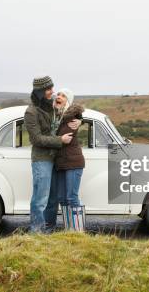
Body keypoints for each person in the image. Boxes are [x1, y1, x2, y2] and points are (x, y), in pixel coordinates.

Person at [24, 76, 80, 233]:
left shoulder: (50, 106)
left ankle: (48, 228)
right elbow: (36, 139)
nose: (53, 92)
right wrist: (59, 140)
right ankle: (36, 231)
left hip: (54, 159)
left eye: (52, 88)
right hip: (41, 158)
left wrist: (80, 119)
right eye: (49, 89)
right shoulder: (31, 112)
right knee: (40, 197)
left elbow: (69, 111)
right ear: (41, 91)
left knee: (52, 198)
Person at [52, 88, 85, 217]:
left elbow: (64, 137)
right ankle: (69, 228)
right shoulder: (56, 116)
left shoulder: (72, 117)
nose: (59, 97)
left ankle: (77, 229)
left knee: (71, 197)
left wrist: (81, 120)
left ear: (68, 101)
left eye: (63, 96)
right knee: (62, 198)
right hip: (61, 163)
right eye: (58, 94)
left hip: (73, 162)